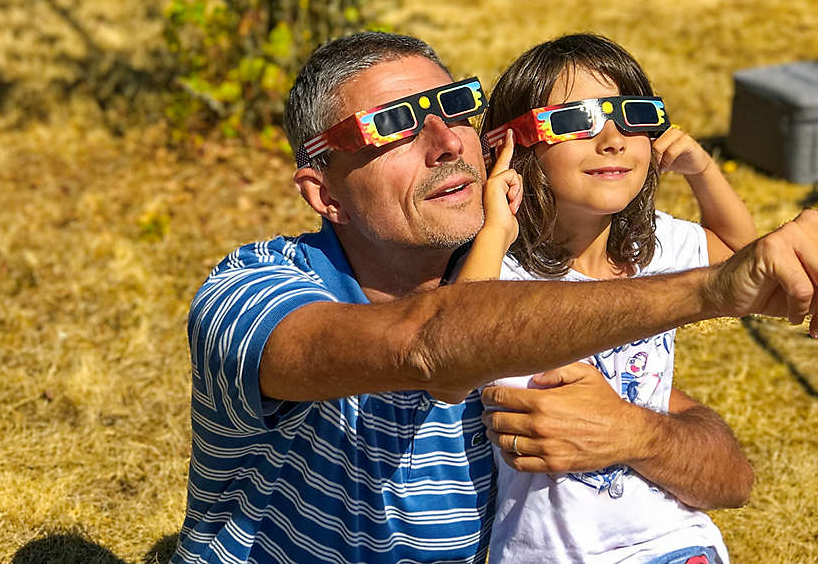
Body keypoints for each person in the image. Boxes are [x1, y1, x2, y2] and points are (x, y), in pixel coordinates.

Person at [172, 31, 818, 564]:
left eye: (456, 107)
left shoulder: (530, 283)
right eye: (394, 127)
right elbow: (432, 348)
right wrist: (715, 287)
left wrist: (638, 435)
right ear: (325, 193)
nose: (448, 141)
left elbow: (729, 477)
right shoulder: (251, 292)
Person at [456, 33, 756, 563]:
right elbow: (457, 336)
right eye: (576, 121)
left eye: (634, 115)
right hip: (549, 550)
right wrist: (495, 231)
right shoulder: (503, 266)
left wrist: (703, 170)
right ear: (512, 147)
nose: (613, 138)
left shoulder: (649, 248)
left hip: (672, 538)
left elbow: (738, 251)